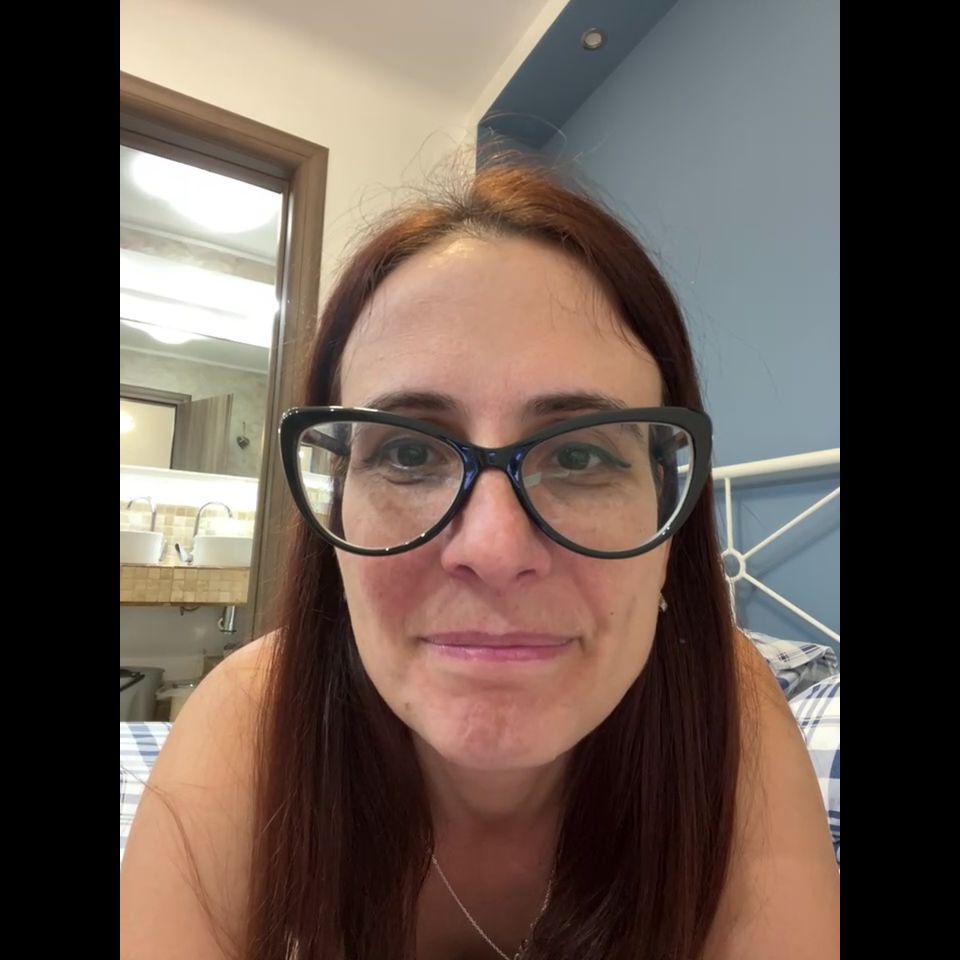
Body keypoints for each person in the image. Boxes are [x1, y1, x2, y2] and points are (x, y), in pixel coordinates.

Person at [120, 163, 840, 960]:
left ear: (669, 525)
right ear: (337, 507)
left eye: (579, 457)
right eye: (406, 453)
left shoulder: (727, 713)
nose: (494, 550)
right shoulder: (252, 720)